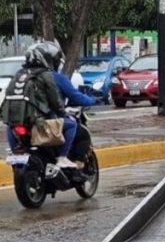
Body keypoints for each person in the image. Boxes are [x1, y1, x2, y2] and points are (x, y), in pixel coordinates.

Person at [2, 41, 95, 169]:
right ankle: (62, 158)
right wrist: (90, 101)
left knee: (10, 127)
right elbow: (58, 100)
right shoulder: (51, 76)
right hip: (41, 122)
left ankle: (16, 155)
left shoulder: (19, 75)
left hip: (18, 122)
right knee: (72, 125)